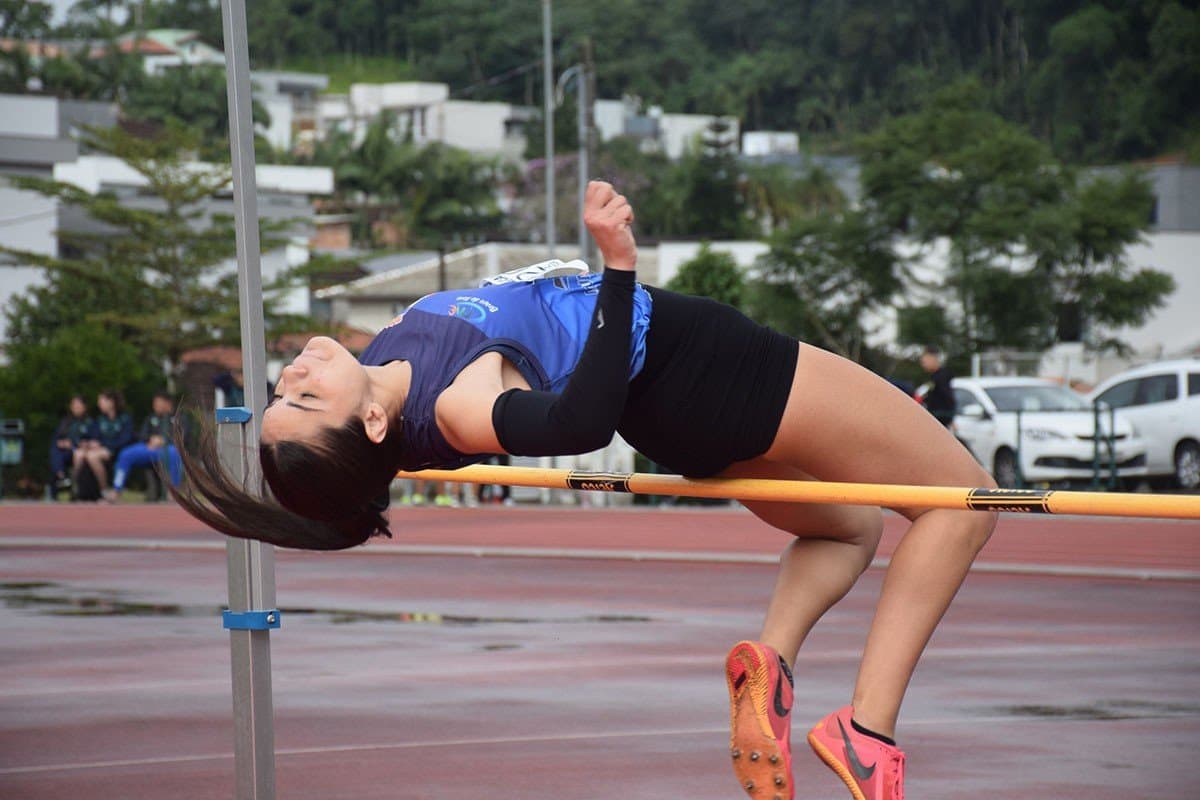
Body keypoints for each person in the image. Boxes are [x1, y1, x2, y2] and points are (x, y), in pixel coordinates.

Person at [174, 182, 997, 800]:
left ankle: (771, 668)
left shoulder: (389, 368)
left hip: (684, 405)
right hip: (708, 373)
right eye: (306, 399)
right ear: (373, 429)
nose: (293, 374)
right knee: (961, 501)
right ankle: (867, 730)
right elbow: (577, 422)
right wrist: (618, 265)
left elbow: (366, 467)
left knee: (846, 530)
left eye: (284, 394)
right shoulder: (456, 410)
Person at [104, 391, 186, 502]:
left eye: (158, 403)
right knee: (126, 454)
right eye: (155, 403)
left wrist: (164, 440)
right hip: (149, 449)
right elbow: (142, 435)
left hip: (168, 449)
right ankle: (116, 489)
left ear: (168, 403)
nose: (155, 406)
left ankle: (173, 492)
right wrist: (150, 440)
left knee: (174, 453)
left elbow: (183, 436)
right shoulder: (150, 418)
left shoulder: (179, 418)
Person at [75, 389, 134, 500]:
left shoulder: (124, 418)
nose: (99, 404)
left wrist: (103, 444)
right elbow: (88, 435)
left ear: (111, 402)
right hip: (99, 449)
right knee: (78, 454)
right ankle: (78, 488)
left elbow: (126, 439)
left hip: (116, 450)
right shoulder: (99, 419)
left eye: (101, 401)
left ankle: (104, 489)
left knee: (92, 457)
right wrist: (86, 443)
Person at [49, 394, 93, 498]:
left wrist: (73, 443)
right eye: (74, 405)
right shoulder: (66, 421)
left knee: (62, 453)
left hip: (79, 450)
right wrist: (62, 443)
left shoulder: (89, 422)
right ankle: (61, 476)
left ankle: (63, 478)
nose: (75, 408)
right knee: (55, 449)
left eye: (78, 405)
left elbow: (90, 439)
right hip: (65, 451)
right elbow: (58, 436)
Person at [919, 345, 957, 429]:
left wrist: (951, 419)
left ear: (933, 358)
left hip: (941, 420)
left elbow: (948, 398)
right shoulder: (934, 377)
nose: (923, 364)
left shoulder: (942, 377)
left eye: (924, 361)